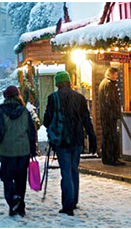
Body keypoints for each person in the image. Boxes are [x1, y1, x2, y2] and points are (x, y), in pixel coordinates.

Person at [43, 71, 97, 216]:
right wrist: (92, 137)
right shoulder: (80, 98)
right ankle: (74, 200)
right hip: (77, 139)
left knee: (66, 171)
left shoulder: (53, 98)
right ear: (68, 82)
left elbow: (46, 121)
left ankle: (67, 206)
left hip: (62, 140)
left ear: (57, 84)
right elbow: (87, 119)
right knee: (74, 169)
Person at [0, 85, 37, 217]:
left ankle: (13, 201)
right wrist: (32, 148)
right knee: (20, 179)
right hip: (23, 150)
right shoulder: (24, 111)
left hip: (8, 151)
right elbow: (31, 131)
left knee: (6, 177)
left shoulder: (1, 112)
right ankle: (20, 206)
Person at [98, 67, 125, 165]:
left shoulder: (105, 83)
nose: (117, 76)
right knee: (111, 137)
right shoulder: (108, 85)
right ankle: (112, 158)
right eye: (116, 74)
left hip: (106, 115)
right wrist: (115, 112)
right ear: (111, 74)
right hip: (109, 116)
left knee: (107, 136)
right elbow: (109, 100)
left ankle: (107, 158)